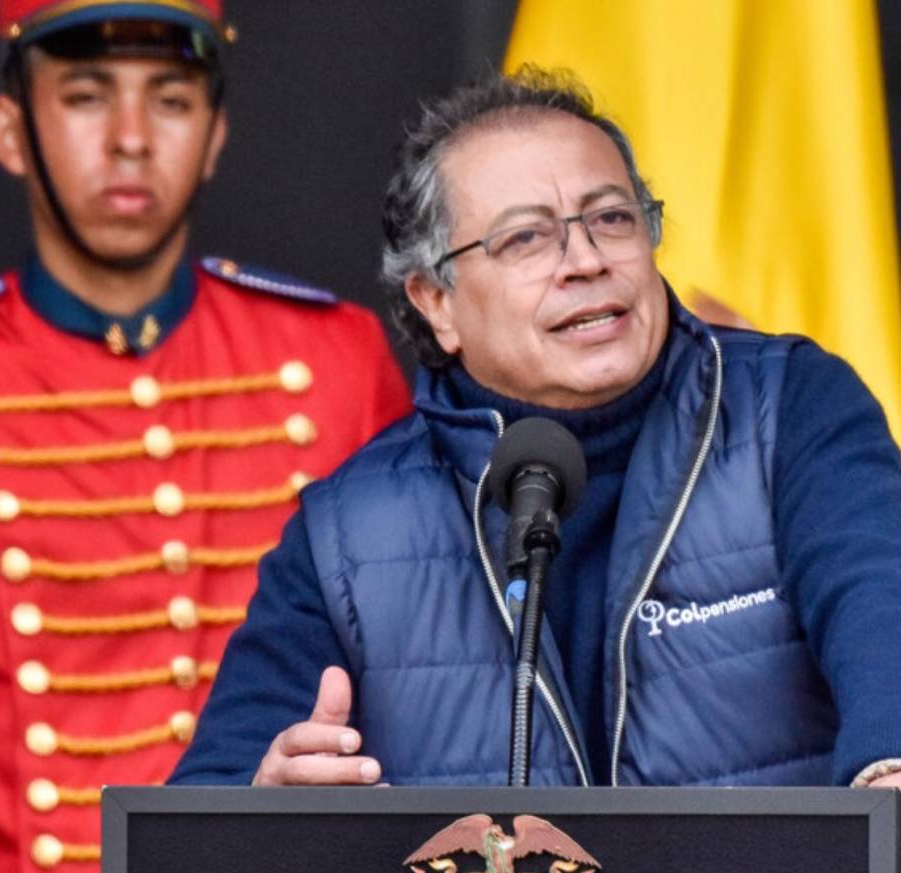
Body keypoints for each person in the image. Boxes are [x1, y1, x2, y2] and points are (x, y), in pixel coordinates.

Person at [0, 3, 409, 873]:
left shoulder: (336, 359)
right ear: (7, 131)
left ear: (214, 138)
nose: (128, 137)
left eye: (169, 100)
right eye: (83, 97)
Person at [171, 67, 901, 793]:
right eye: (526, 239)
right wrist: (263, 812)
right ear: (436, 303)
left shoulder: (790, 407)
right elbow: (192, 845)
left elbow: (878, 595)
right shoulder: (348, 535)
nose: (586, 261)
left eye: (612, 217)